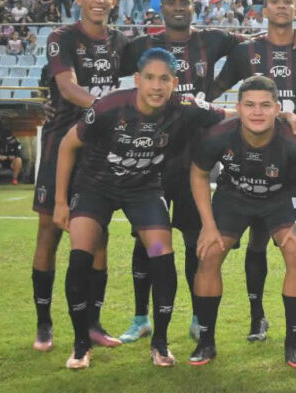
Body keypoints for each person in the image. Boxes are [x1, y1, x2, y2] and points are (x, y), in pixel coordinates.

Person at [115, 0, 296, 345]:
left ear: (195, 6)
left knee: (197, 240)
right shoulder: (141, 45)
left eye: (185, 1)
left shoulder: (213, 39)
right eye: (171, 2)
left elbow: (263, 42)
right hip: (152, 156)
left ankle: (198, 318)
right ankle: (140, 317)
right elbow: (108, 72)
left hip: (195, 155)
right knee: (146, 240)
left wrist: (295, 32)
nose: (178, 7)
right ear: (161, 7)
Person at [53, 48, 229, 369]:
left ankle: (159, 343)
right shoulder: (108, 107)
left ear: (174, 82)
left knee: (162, 256)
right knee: (80, 258)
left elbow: (231, 114)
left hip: (143, 191)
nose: (156, 86)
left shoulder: (184, 106)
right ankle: (81, 345)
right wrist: (61, 202)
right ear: (137, 80)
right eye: (149, 78)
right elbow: (68, 144)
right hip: (95, 189)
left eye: (164, 79)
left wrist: (282, 115)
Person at [206, 0, 296, 345]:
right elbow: (214, 91)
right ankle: (257, 317)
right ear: (264, 9)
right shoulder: (246, 51)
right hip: (252, 161)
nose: (282, 6)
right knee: (255, 240)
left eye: (288, 1)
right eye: (275, 1)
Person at [188, 75, 296, 368]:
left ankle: (293, 342)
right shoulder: (218, 135)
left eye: (265, 105)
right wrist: (208, 226)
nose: (257, 112)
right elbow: (199, 173)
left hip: (281, 194)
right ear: (238, 107)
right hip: (234, 194)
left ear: (277, 108)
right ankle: (206, 340)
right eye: (249, 105)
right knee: (209, 253)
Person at [30, 0, 128, 354]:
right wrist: (109, 109)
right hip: (61, 145)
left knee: (98, 236)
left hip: (99, 150)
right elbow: (68, 88)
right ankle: (44, 323)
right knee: (49, 231)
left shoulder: (121, 42)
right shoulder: (62, 37)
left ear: (114, 1)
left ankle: (92, 323)